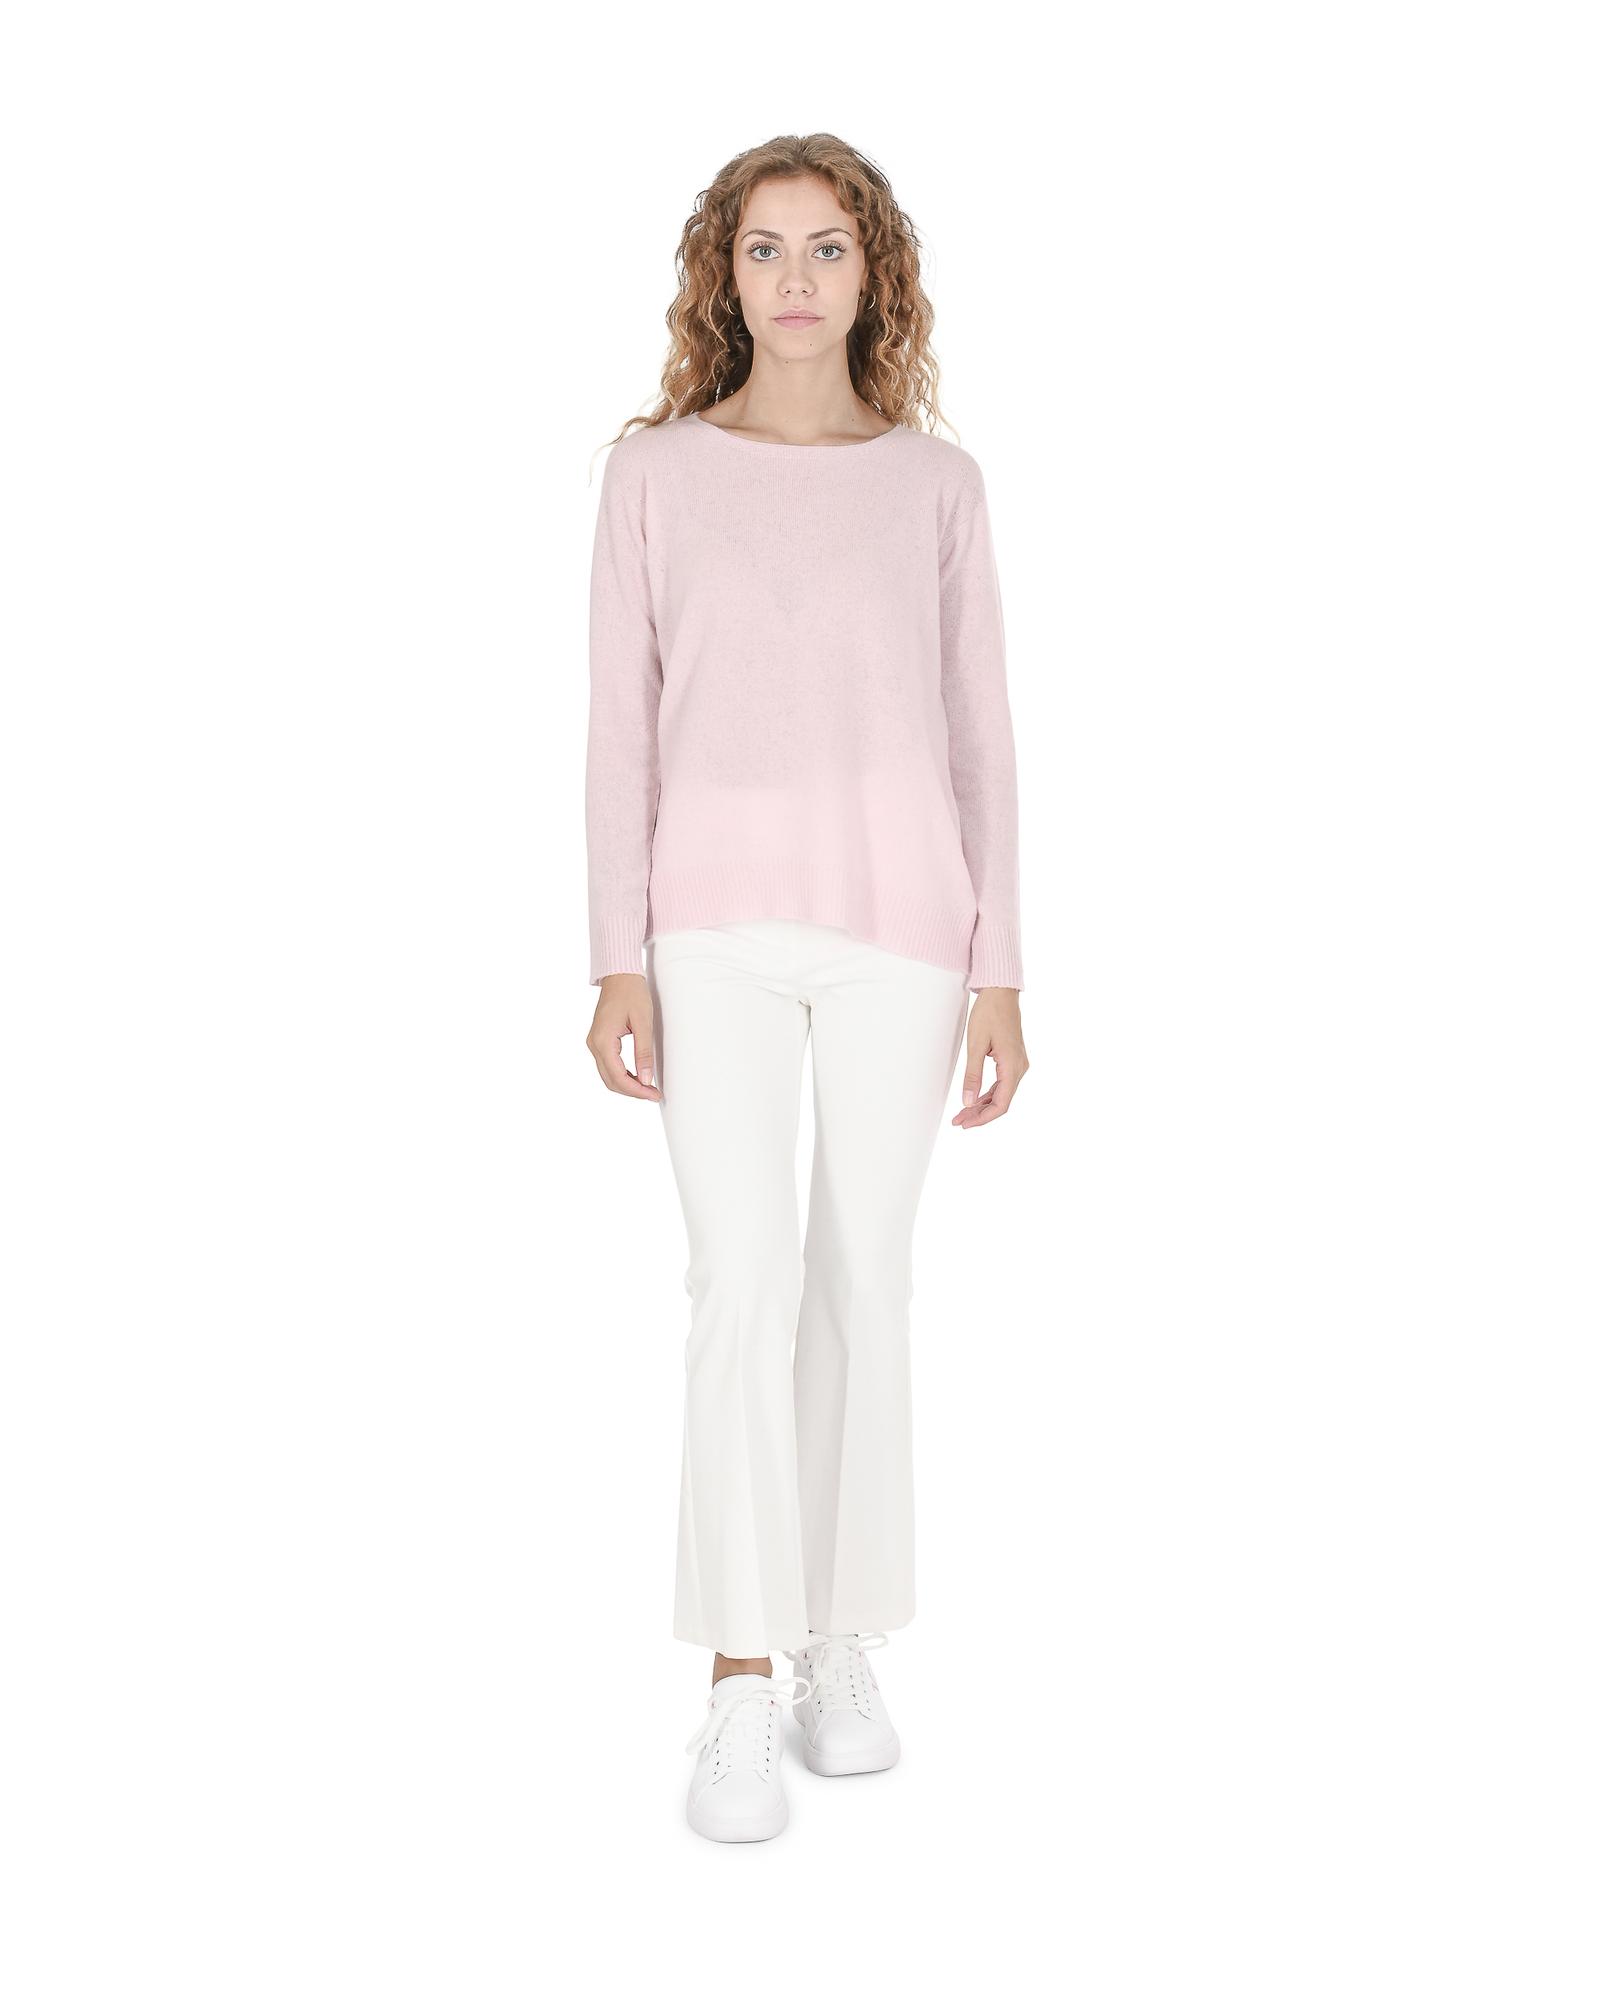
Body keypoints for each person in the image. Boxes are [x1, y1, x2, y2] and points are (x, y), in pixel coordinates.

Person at [583, 133, 1029, 1843]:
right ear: (725, 273)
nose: (794, 277)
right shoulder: (652, 476)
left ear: (871, 275)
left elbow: (982, 738)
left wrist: (1002, 968)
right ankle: (739, 1679)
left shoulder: (938, 488)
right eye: (764, 247)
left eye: (826, 247)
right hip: (706, 930)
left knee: (862, 1278)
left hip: (903, 928)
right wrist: (613, 950)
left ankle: (843, 1638)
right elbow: (618, 726)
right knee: (742, 1282)